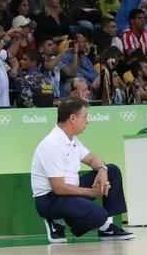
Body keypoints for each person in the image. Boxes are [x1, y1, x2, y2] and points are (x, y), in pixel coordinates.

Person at [31, 98, 134, 243]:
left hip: (70, 192)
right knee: (98, 215)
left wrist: (102, 170)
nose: (87, 121)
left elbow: (92, 159)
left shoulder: (72, 139)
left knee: (112, 170)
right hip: (51, 199)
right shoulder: (52, 144)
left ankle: (107, 228)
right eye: (85, 117)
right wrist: (93, 192)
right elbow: (59, 188)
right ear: (72, 118)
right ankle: (55, 220)